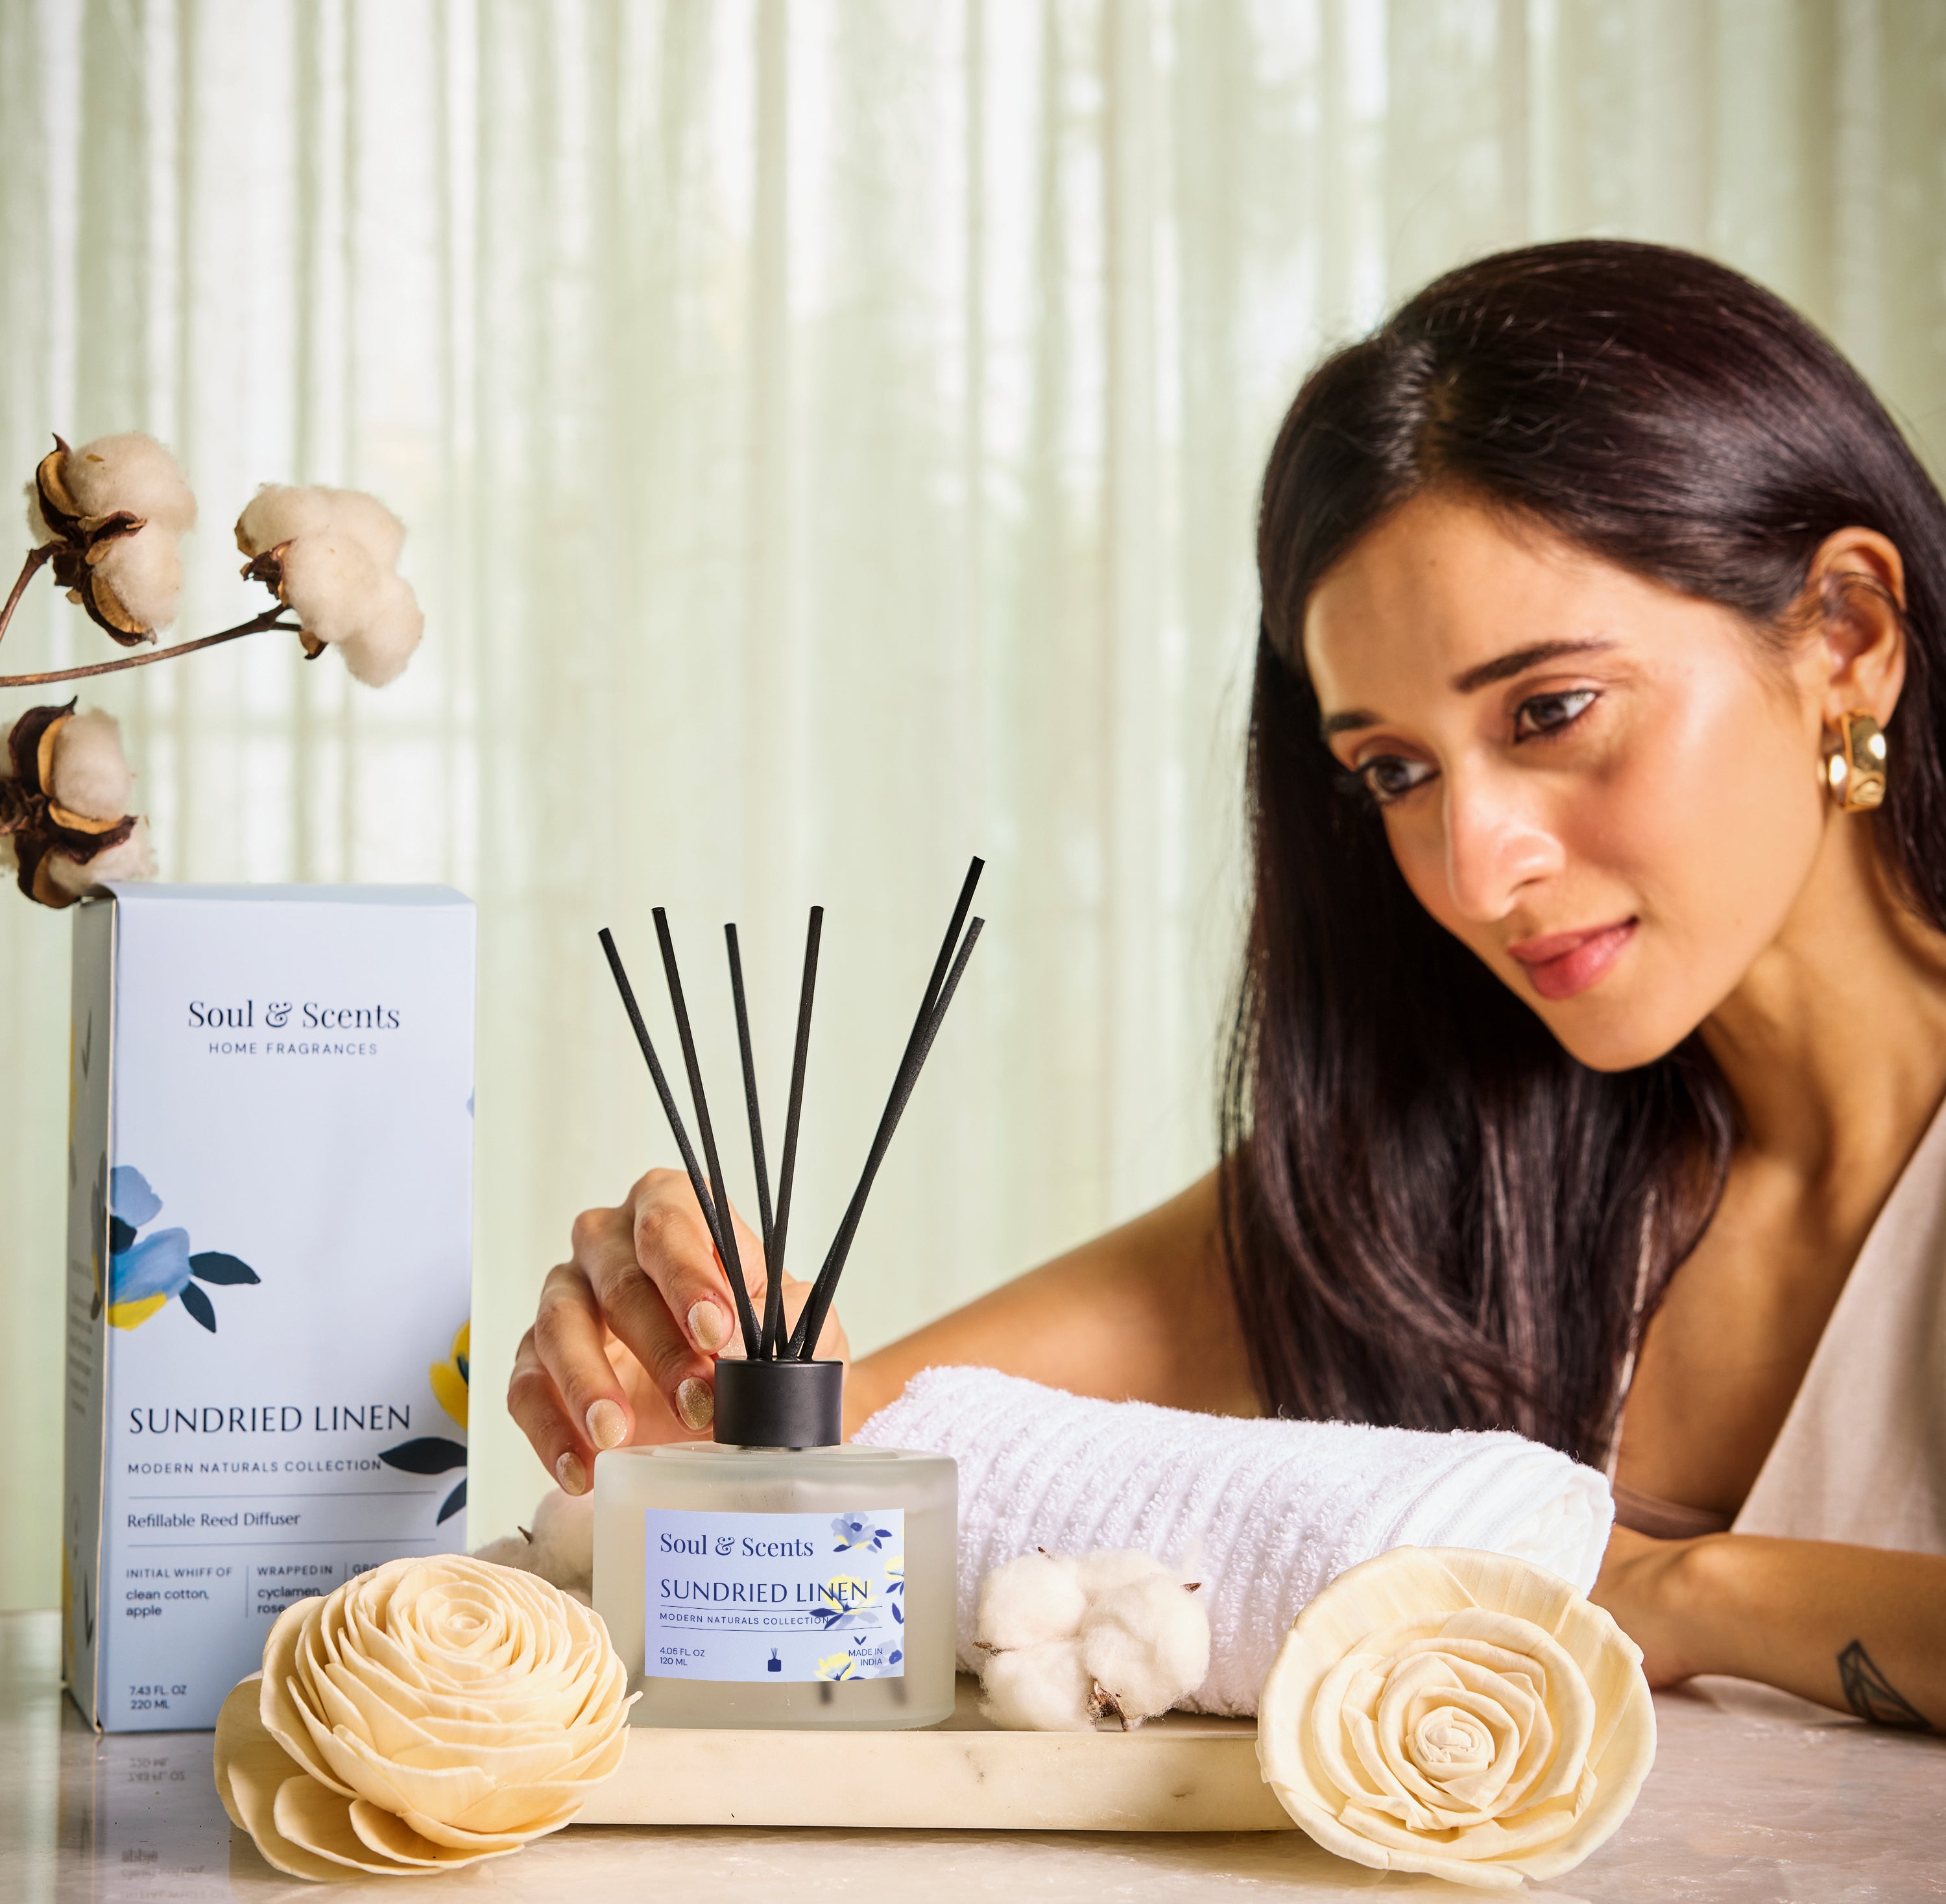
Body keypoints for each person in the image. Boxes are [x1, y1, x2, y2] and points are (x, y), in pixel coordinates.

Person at [511, 240, 1946, 1730]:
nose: (1470, 867)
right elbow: (815, 1480)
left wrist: (1686, 1594)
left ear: (1846, 638)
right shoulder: (1407, 1196)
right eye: (1392, 771)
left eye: (1553, 710)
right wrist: (672, 1346)